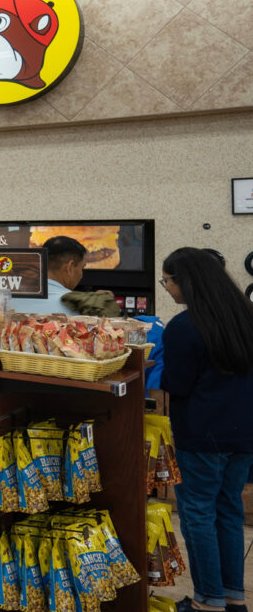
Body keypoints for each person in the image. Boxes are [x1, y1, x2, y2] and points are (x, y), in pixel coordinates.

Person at [159, 247, 253, 612]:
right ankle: (233, 599)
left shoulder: (184, 326)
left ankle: (207, 603)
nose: (167, 288)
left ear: (185, 281)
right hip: (242, 434)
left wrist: (158, 367)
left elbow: (178, 385)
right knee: (228, 512)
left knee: (198, 515)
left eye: (167, 281)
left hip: (201, 436)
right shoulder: (244, 317)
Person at [12, 236, 94, 314]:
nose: (81, 275)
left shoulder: (8, 299)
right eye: (81, 268)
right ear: (70, 267)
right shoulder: (79, 306)